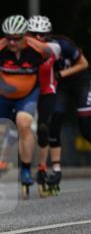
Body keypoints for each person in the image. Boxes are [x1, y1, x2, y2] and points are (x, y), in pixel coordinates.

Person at [0, 15, 53, 197]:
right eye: (8, 38)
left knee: (24, 124)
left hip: (28, 94)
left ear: (25, 36)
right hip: (2, 94)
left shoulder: (38, 49)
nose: (12, 42)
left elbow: (47, 55)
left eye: (16, 38)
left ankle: (26, 169)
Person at [27, 14, 89, 193]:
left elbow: (84, 63)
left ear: (49, 35)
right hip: (59, 87)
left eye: (42, 35)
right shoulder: (29, 50)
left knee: (86, 128)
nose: (38, 38)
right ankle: (56, 169)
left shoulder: (62, 44)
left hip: (80, 83)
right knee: (53, 123)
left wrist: (62, 74)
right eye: (34, 34)